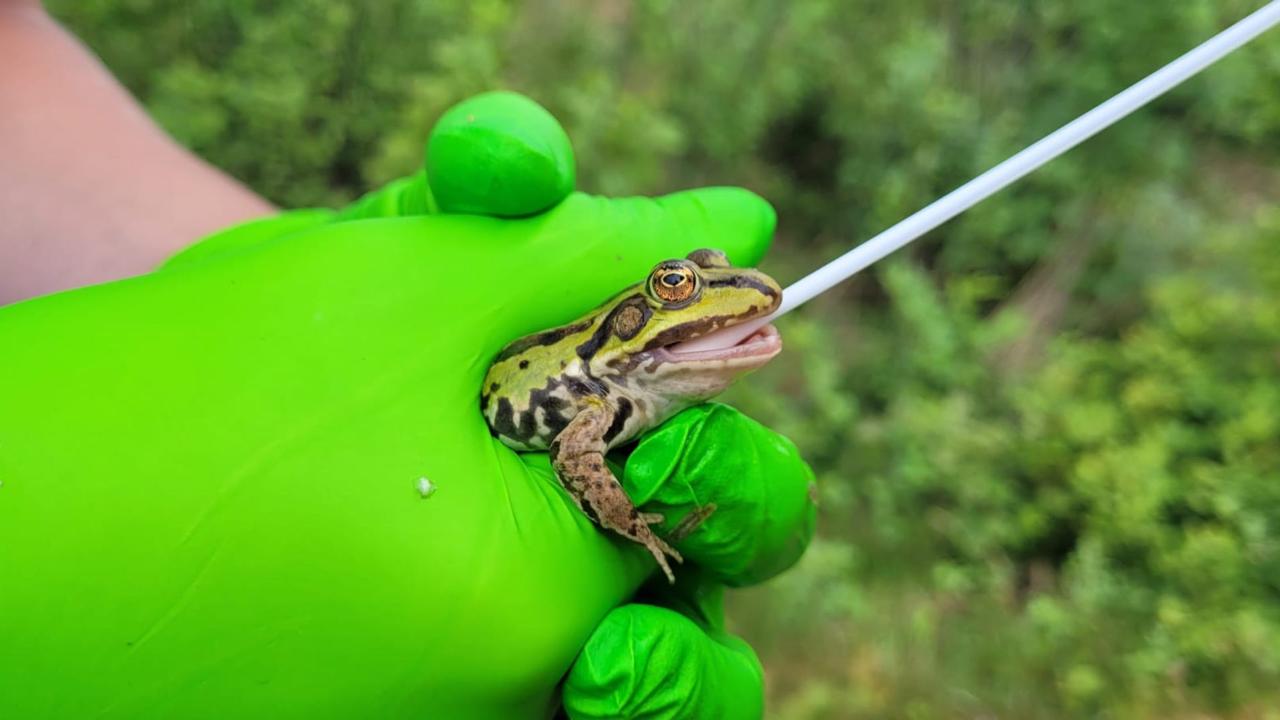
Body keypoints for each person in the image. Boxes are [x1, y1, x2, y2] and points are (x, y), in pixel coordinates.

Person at [0, 3, 817, 718]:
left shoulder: (633, 391)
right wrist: (630, 529)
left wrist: (290, 280)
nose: (705, 293)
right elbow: (577, 453)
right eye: (676, 285)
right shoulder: (597, 400)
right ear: (643, 310)